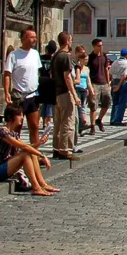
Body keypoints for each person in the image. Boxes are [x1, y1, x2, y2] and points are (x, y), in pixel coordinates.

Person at [0, 105, 59, 195]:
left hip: (3, 165)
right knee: (25, 155)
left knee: (31, 153)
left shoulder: (13, 133)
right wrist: (42, 156)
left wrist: (39, 143)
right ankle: (36, 187)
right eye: (19, 115)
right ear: (11, 117)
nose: (22, 117)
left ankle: (42, 184)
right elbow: (24, 147)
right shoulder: (2, 132)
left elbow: (25, 146)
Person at [2, 27, 44, 148]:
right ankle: (13, 152)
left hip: (33, 95)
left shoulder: (35, 54)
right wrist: (7, 92)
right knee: (16, 127)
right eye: (32, 37)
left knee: (34, 126)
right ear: (24, 39)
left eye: (35, 37)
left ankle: (34, 153)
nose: (34, 39)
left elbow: (38, 73)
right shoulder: (14, 55)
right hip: (19, 95)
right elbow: (7, 75)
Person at [50, 32, 79, 160]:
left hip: (56, 93)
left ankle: (56, 148)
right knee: (67, 121)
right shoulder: (65, 57)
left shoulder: (55, 56)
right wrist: (74, 95)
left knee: (58, 122)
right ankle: (65, 150)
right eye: (71, 40)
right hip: (65, 93)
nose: (71, 42)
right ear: (67, 41)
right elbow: (67, 77)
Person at [86, 38, 110, 133]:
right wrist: (89, 86)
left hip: (104, 83)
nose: (101, 47)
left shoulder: (104, 56)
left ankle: (99, 119)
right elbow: (87, 70)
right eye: (99, 46)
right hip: (94, 83)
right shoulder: (90, 57)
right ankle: (92, 126)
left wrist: (108, 83)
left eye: (101, 45)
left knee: (107, 102)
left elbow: (106, 70)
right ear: (94, 46)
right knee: (93, 105)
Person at [109, 50, 127, 126]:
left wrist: (112, 83)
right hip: (122, 82)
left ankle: (112, 119)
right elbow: (125, 75)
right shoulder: (126, 63)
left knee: (115, 102)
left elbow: (110, 73)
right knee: (122, 102)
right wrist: (119, 86)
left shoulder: (115, 62)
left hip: (115, 80)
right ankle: (118, 120)